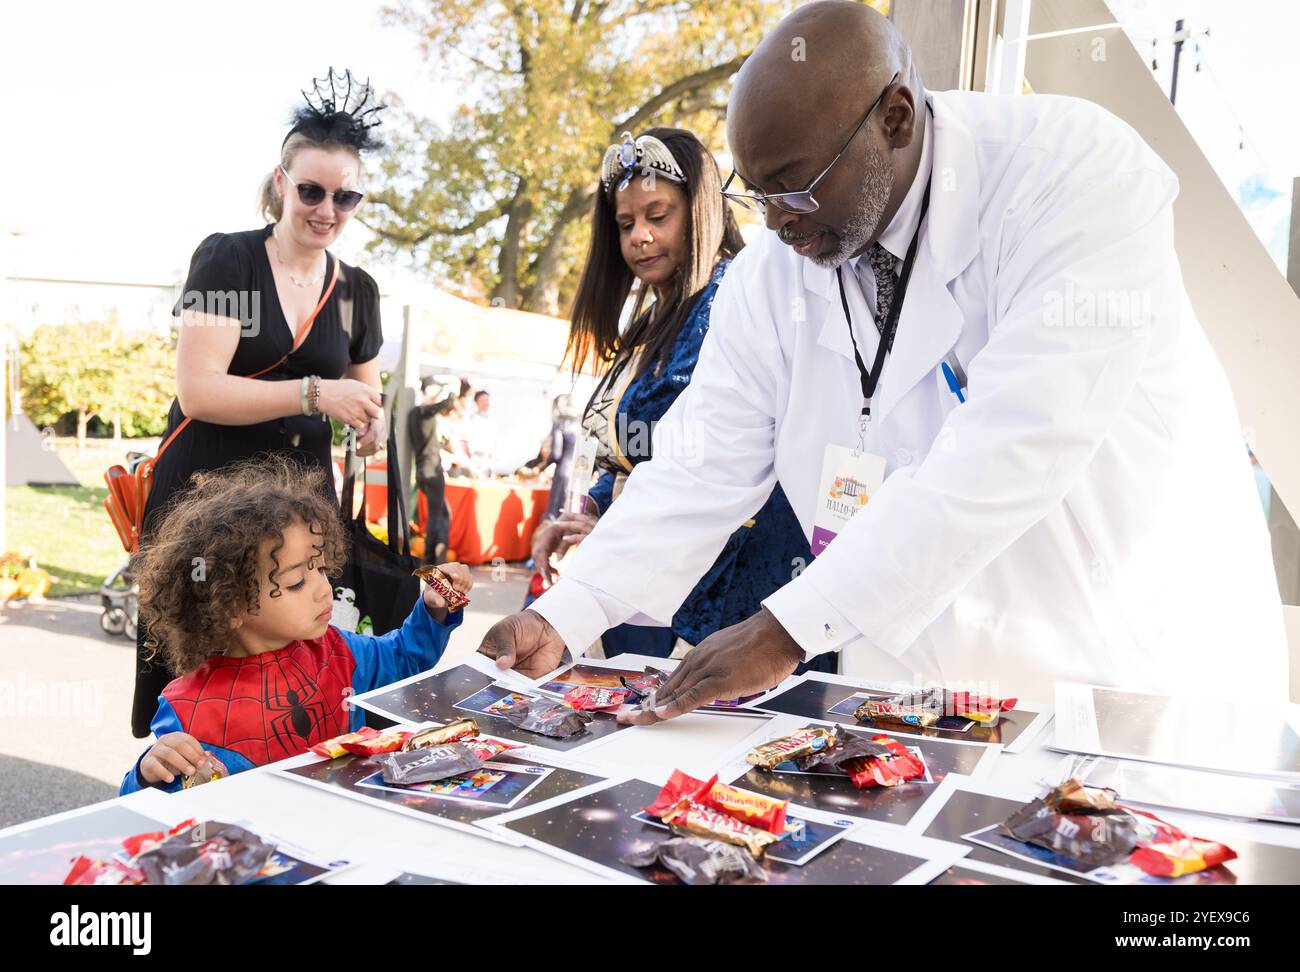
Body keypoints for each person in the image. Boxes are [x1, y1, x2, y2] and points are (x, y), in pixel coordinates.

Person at [477, 2, 1288, 718]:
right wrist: (569, 610)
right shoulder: (775, 270)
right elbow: (702, 460)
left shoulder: (1069, 176)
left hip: (1111, 676)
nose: (780, 225)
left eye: (797, 187)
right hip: (909, 690)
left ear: (896, 117)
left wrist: (790, 624)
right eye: (759, 196)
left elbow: (1014, 446)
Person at [131, 68, 390, 738]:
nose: (326, 209)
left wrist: (372, 424)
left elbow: (367, 391)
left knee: (294, 687)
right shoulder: (229, 260)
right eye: (311, 190)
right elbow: (200, 388)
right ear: (281, 182)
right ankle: (179, 818)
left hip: (300, 515)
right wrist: (313, 392)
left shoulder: (358, 288)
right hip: (209, 506)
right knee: (198, 691)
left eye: (345, 196)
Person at [527, 126, 816, 661]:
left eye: (658, 216)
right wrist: (587, 510)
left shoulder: (739, 298)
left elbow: (723, 464)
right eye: (625, 223)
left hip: (726, 604)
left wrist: (611, 527)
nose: (639, 236)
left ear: (701, 210)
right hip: (642, 582)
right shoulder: (651, 317)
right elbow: (628, 453)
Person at [121, 456, 470, 793]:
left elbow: (405, 657)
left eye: (319, 568)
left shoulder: (339, 650)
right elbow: (147, 806)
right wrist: (147, 774)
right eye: (296, 583)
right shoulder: (186, 708)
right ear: (230, 606)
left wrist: (433, 608)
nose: (323, 589)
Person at [409, 376, 457, 563]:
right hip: (432, 470)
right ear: (428, 390)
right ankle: (432, 556)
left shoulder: (416, 412)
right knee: (438, 515)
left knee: (442, 512)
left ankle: (438, 549)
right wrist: (453, 389)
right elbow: (446, 403)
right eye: (435, 388)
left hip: (423, 470)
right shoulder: (422, 411)